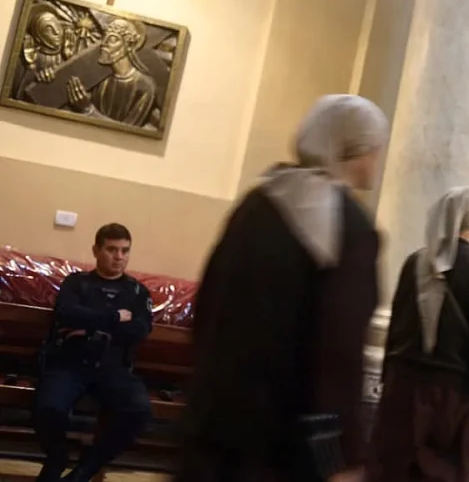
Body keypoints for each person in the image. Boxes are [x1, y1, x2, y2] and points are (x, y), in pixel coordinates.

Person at [174, 94, 389, 482]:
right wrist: (341, 456)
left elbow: (208, 308)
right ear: (353, 148)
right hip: (283, 442)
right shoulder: (349, 225)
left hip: (215, 424)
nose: (378, 158)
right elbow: (337, 354)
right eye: (375, 147)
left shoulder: (258, 202)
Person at [370, 187, 469, 482]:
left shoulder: (414, 263)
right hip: (452, 399)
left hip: (402, 391)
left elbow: (397, 327)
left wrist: (387, 381)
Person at [34, 223, 153, 482]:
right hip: (70, 362)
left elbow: (140, 330)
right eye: (112, 249)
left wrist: (88, 326)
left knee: (139, 410)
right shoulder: (76, 283)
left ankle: (85, 470)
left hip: (113, 367)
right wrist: (113, 318)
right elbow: (65, 313)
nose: (119, 257)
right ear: (96, 250)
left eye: (125, 251)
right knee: (48, 407)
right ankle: (57, 457)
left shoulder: (136, 292)